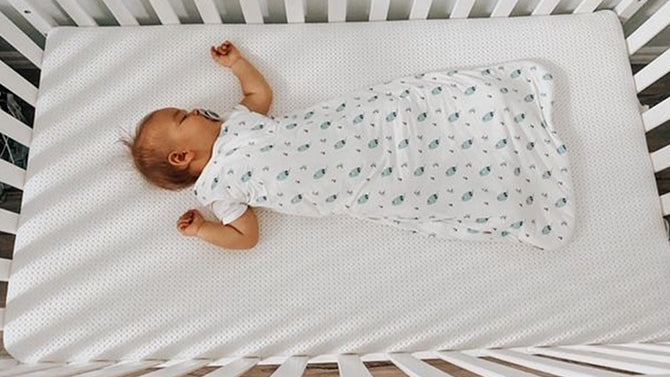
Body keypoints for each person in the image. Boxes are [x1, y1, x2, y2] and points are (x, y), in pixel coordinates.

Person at [122, 41, 574, 252]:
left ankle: (477, 125)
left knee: (403, 110)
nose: (197, 110)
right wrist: (203, 230)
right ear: (182, 158)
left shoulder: (235, 122)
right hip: (356, 184)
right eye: (185, 117)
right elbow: (247, 236)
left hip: (353, 132)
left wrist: (238, 64)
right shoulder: (218, 190)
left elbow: (260, 96)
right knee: (416, 187)